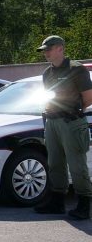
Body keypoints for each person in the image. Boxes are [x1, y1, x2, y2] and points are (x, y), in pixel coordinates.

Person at [33, 35, 92, 220]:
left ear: (60, 48)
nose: (45, 53)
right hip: (52, 122)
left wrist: (72, 111)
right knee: (55, 164)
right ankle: (57, 202)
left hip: (71, 123)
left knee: (77, 165)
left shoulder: (77, 69)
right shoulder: (47, 73)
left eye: (48, 49)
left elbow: (88, 97)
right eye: (44, 50)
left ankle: (84, 204)